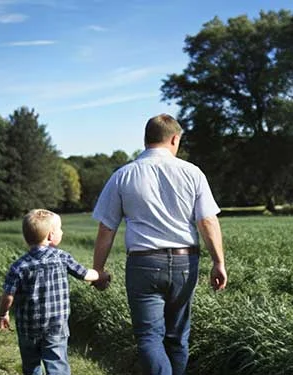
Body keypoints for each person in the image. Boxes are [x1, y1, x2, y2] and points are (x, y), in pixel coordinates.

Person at [91, 113, 227, 375]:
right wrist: (218, 262)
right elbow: (207, 222)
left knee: (149, 338)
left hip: (143, 264)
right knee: (177, 337)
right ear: (174, 139)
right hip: (185, 262)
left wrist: (99, 269)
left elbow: (107, 227)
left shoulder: (123, 175)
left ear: (146, 140)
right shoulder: (193, 173)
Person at [0, 209, 101, 375]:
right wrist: (101, 275)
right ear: (51, 236)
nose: (62, 231)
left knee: (31, 366)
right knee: (57, 365)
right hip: (56, 326)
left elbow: (7, 296)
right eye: (60, 229)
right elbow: (85, 274)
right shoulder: (62, 257)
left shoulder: (19, 266)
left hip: (27, 328)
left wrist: (3, 314)